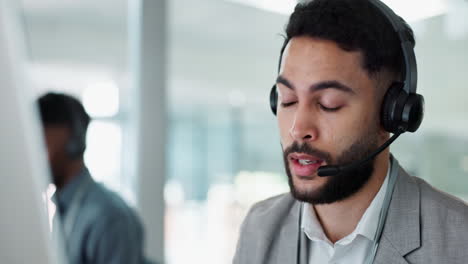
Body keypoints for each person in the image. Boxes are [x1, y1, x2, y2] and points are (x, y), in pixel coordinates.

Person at [233, 0, 468, 263]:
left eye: (328, 104)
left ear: (391, 114)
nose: (297, 129)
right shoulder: (260, 228)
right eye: (287, 99)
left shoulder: (459, 242)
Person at [38, 92, 150, 264]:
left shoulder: (109, 218)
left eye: (42, 144)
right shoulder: (62, 208)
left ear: (74, 142)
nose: (35, 156)